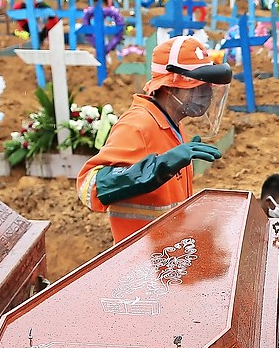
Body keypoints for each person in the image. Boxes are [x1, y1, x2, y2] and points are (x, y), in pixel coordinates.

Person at [77, 35, 232, 243]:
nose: (206, 94)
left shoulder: (173, 124)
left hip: (166, 255)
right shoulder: (138, 125)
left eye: (207, 87)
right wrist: (158, 168)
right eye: (196, 86)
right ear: (168, 86)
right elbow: (88, 187)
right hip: (137, 260)